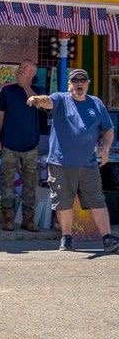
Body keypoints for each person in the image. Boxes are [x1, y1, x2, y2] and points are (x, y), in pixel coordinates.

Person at [28, 68, 119, 252]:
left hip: (89, 164)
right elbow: (48, 101)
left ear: (87, 84)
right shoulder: (61, 99)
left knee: (97, 200)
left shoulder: (96, 103)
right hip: (60, 163)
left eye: (82, 81)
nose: (79, 84)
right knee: (63, 202)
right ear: (69, 85)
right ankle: (67, 237)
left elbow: (108, 129)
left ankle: (107, 237)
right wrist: (37, 99)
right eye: (75, 81)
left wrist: (106, 149)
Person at [0, 58, 42, 232]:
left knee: (30, 183)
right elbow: (0, 115)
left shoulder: (39, 91)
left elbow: (37, 104)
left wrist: (25, 86)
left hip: (31, 146)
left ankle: (28, 219)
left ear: (33, 73)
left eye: (26, 68)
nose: (22, 70)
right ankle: (8, 218)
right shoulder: (7, 91)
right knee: (6, 182)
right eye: (20, 67)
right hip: (9, 144)